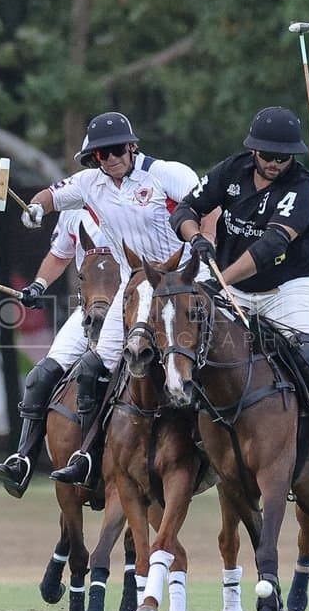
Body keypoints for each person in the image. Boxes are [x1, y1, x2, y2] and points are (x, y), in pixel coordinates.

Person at [18, 111, 208, 489]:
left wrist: (209, 251)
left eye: (118, 149)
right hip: (135, 286)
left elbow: (211, 206)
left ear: (132, 146)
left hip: (183, 280)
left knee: (211, 357)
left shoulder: (169, 174)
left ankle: (214, 447)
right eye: (102, 154)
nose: (112, 158)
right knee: (92, 367)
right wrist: (37, 209)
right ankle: (87, 455)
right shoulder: (90, 184)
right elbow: (53, 195)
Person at [170, 106, 309, 497]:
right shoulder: (230, 171)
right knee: (185, 341)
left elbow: (271, 245)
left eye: (282, 157)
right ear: (253, 151)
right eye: (267, 155)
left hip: (290, 286)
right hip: (230, 282)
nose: (273, 163)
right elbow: (185, 210)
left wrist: (221, 281)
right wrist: (195, 236)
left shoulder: (301, 188)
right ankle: (191, 449)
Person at [0, 207, 111, 498]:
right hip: (89, 307)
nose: (107, 161)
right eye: (99, 158)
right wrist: (38, 285)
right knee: (41, 375)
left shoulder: (141, 200)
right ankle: (23, 460)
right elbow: (60, 255)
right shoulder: (75, 212)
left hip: (131, 306)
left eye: (113, 156)